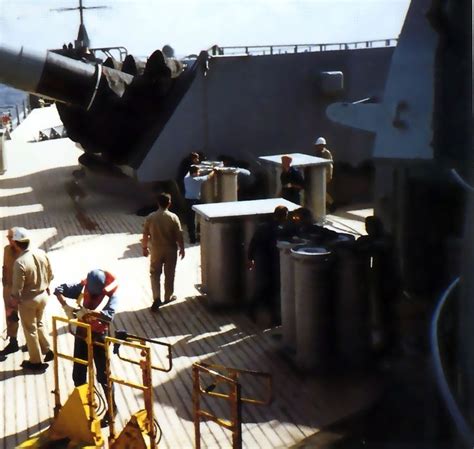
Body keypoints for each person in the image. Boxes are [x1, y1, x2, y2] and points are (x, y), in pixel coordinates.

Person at [54, 269, 119, 427]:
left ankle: (112, 409)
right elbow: (59, 290)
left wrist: (88, 313)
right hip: (82, 334)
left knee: (103, 376)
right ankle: (83, 406)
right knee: (78, 373)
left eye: (95, 293)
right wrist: (65, 306)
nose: (92, 294)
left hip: (99, 338)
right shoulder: (83, 286)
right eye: (91, 291)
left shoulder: (111, 296)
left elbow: (108, 316)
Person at [9, 227, 54, 372]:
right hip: (43, 296)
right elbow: (50, 274)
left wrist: (13, 304)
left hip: (28, 301)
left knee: (30, 329)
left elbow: (17, 288)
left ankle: (35, 362)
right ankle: (47, 349)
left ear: (16, 243)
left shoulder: (20, 262)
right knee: (40, 323)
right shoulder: (42, 253)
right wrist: (46, 285)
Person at [142, 193, 185, 312]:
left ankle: (156, 297)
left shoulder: (151, 217)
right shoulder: (173, 217)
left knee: (155, 274)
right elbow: (179, 234)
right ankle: (168, 296)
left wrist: (144, 248)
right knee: (170, 273)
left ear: (157, 203)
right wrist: (182, 248)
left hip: (155, 249)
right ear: (169, 203)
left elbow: (145, 234)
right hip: (170, 249)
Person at [247, 205, 289, 325]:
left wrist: (250, 258)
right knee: (274, 289)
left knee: (263, 288)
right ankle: (275, 318)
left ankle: (252, 311)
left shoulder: (263, 227)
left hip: (263, 261)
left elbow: (253, 243)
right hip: (275, 262)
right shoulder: (283, 229)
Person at [0, 228, 25, 357]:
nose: (9, 240)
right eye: (8, 237)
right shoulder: (6, 250)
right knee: (11, 317)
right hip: (9, 289)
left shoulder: (24, 253)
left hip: (23, 291)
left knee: (28, 318)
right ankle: (13, 341)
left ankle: (32, 343)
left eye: (11, 238)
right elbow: (4, 266)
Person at [183, 165, 216, 243]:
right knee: (197, 219)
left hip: (187, 200)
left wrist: (196, 168)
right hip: (194, 201)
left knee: (190, 220)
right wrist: (214, 170)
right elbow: (209, 176)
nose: (199, 173)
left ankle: (192, 238)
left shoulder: (186, 178)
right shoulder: (197, 179)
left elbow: (189, 171)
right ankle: (197, 236)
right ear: (194, 173)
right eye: (198, 172)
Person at [314, 137, 334, 208]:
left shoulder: (326, 153)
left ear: (322, 145)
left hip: (325, 175)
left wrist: (329, 175)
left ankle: (331, 204)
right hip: (320, 175)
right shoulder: (318, 152)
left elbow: (329, 165)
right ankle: (329, 204)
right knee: (321, 191)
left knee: (322, 191)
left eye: (319, 145)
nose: (318, 147)